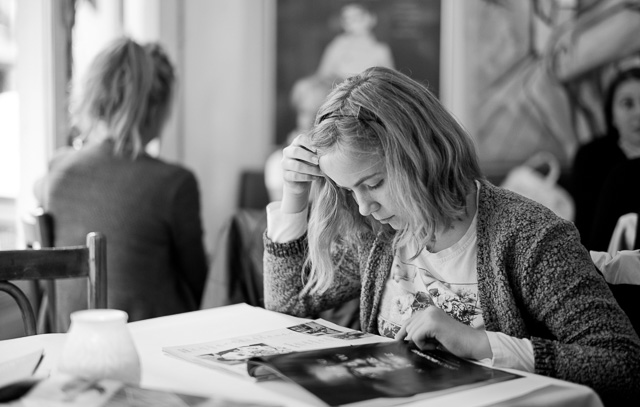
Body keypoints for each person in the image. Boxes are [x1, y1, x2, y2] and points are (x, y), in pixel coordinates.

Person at [263, 66, 640, 404]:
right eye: (349, 191)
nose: (363, 208)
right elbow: (287, 304)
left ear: (421, 155)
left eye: (374, 183)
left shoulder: (528, 236)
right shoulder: (379, 236)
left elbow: (623, 365)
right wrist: (294, 195)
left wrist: (479, 342)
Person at [35, 38, 208, 331]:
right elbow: (201, 283)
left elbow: (41, 189)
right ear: (153, 107)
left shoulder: (58, 168)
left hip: (68, 339)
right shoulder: (174, 184)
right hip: (148, 344)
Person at [571, 67, 640, 248]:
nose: (638, 113)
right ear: (612, 115)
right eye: (628, 104)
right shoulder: (592, 157)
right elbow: (585, 232)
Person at [316, 3, 394, 81]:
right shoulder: (337, 46)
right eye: (347, 19)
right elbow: (322, 76)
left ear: (371, 18)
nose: (353, 23)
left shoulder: (381, 50)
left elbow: (392, 81)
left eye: (357, 17)